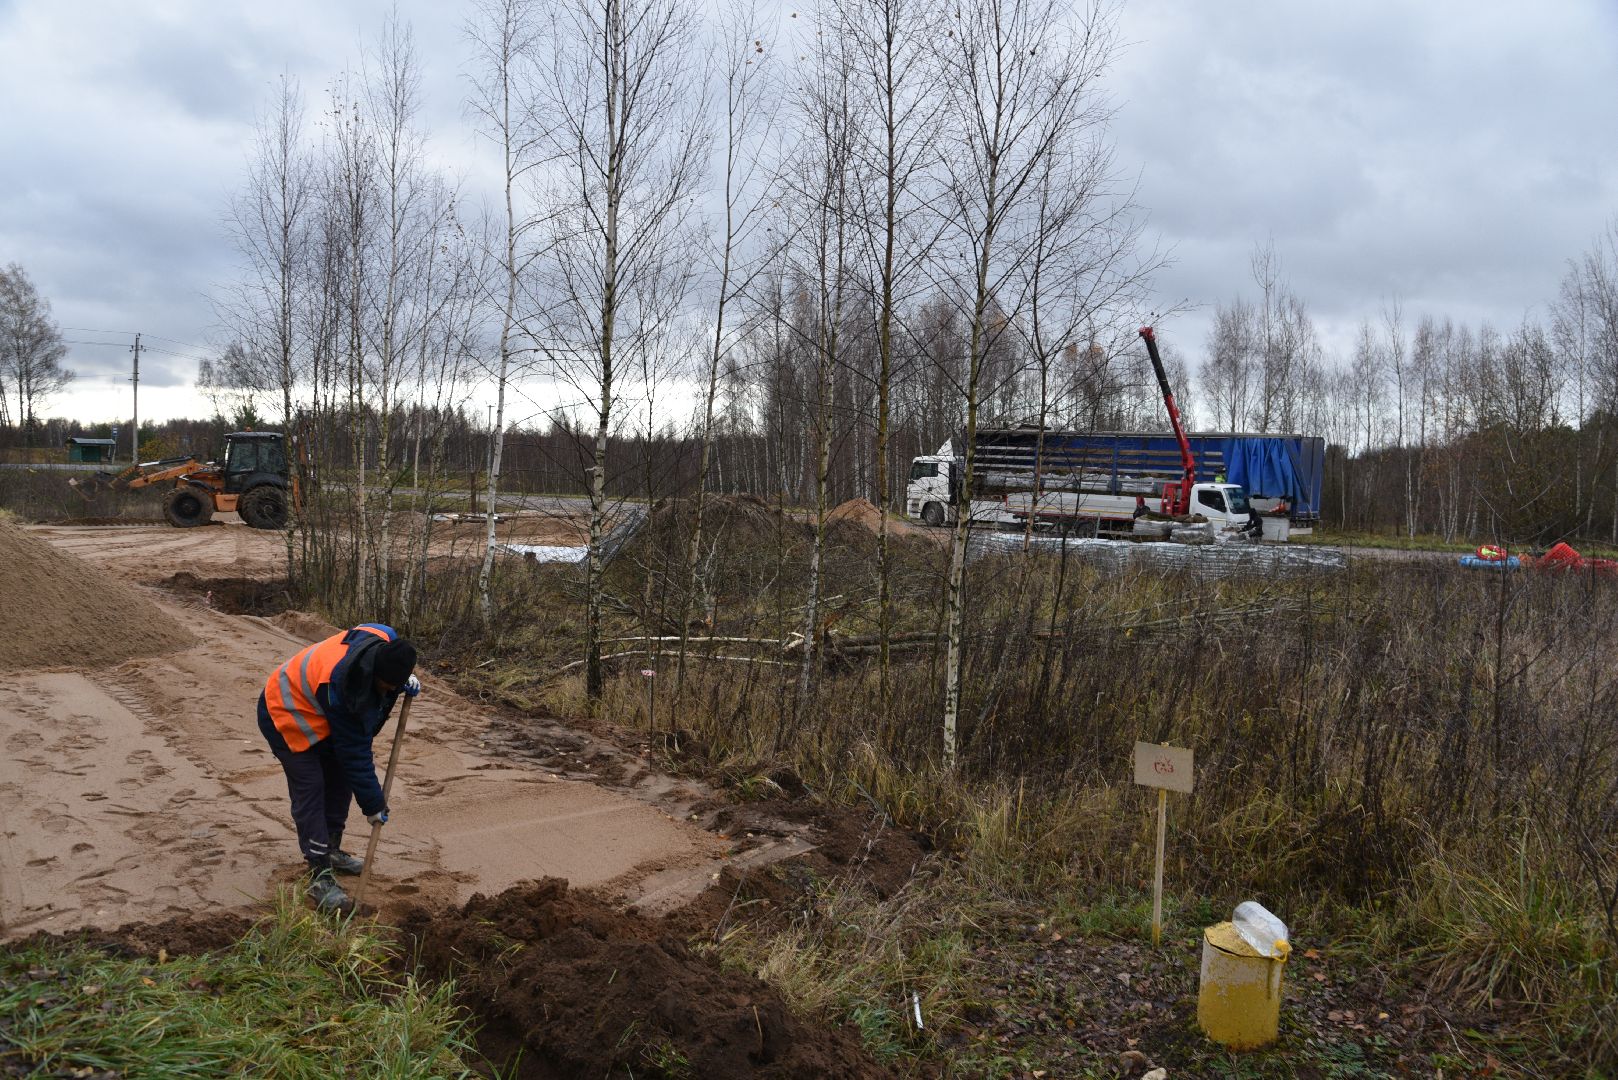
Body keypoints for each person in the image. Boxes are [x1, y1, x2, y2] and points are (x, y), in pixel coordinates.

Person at [257, 623, 421, 911]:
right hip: (284, 712)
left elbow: (372, 628)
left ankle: (331, 849)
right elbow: (355, 752)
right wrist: (373, 804)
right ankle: (319, 872)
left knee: (341, 780)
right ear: (374, 674)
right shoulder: (343, 687)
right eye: (388, 685)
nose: (390, 691)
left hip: (319, 711)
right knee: (311, 788)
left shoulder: (383, 642)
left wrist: (404, 678)